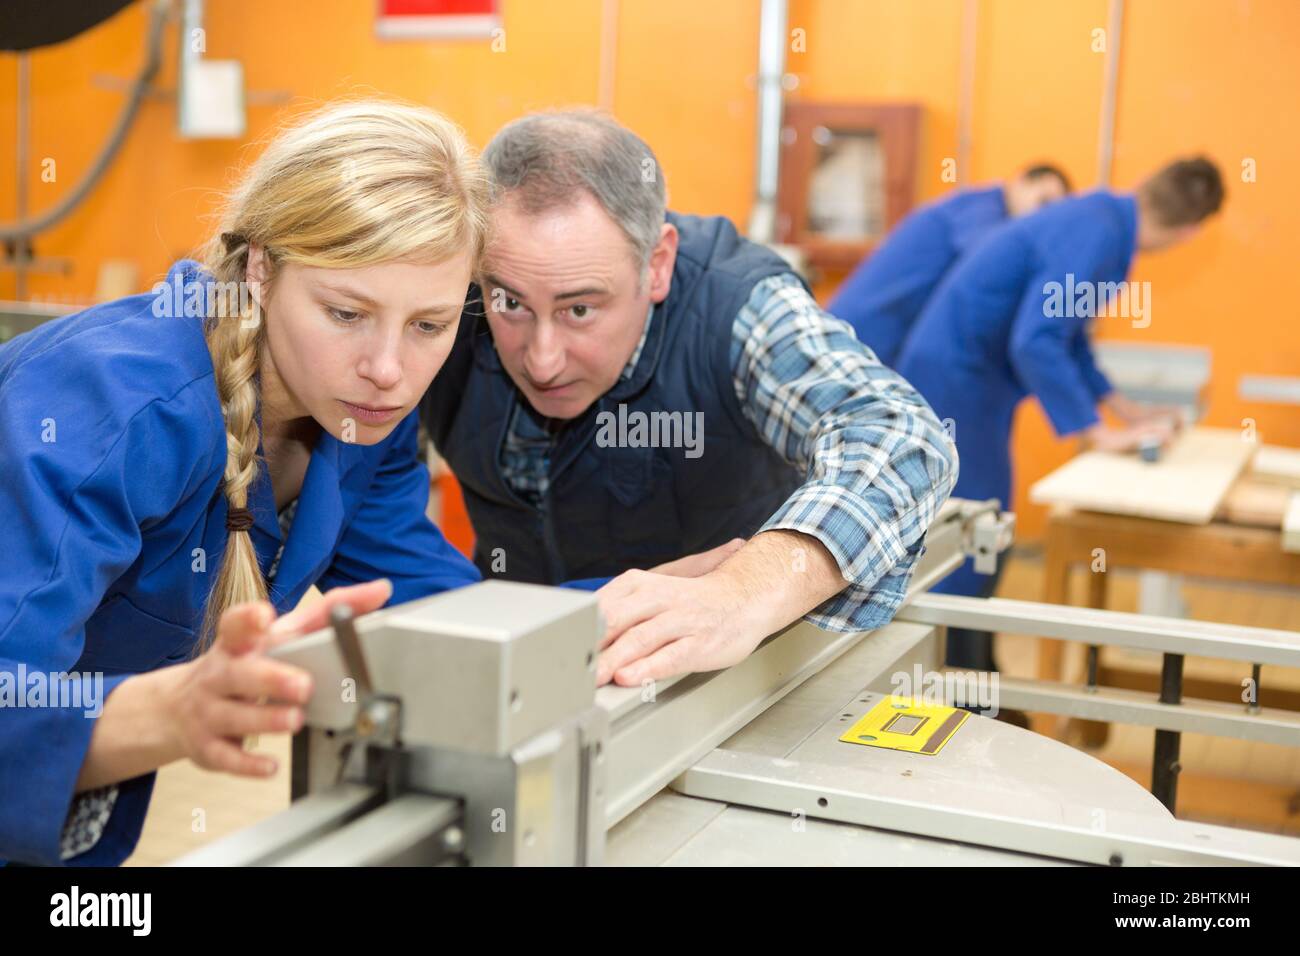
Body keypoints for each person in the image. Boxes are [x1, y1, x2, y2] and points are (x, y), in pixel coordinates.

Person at [0, 100, 495, 866]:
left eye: (429, 325)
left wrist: (613, 615)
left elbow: (442, 612)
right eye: (346, 312)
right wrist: (172, 711)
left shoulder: (361, 420)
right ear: (261, 269)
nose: (390, 371)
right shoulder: (101, 410)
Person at [422, 110, 958, 689]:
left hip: (725, 690)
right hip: (529, 673)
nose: (542, 358)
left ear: (657, 265)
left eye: (580, 309)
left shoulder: (734, 304)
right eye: (512, 303)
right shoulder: (450, 292)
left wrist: (742, 591)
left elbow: (899, 434)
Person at [894, 157, 1225, 671]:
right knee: (974, 529)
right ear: (1188, 231)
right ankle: (949, 679)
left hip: (974, 380)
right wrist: (1096, 434)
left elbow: (1069, 338)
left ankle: (973, 674)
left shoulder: (1104, 222)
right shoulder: (1097, 233)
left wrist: (1125, 411)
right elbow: (1036, 341)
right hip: (954, 380)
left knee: (985, 529)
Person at [828, 164, 1072, 365]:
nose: (1043, 217)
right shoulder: (982, 209)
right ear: (1021, 181)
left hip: (878, 336)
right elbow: (988, 264)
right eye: (1044, 202)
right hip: (861, 333)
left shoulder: (984, 212)